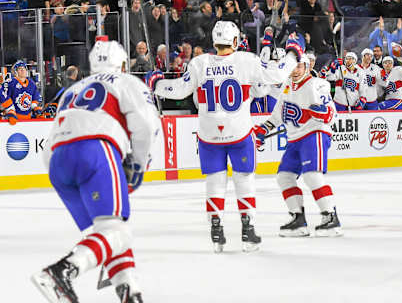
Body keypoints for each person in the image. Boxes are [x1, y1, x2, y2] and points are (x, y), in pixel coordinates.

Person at [149, 21, 303, 253]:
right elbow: (277, 75)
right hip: (238, 132)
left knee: (214, 181)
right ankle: (248, 230)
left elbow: (179, 90)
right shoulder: (246, 60)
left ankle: (216, 228)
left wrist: (156, 83)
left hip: (209, 134)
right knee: (244, 179)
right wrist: (293, 52)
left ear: (213, 41)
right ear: (234, 41)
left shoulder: (199, 63)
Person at [31, 40, 159, 303]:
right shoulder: (126, 81)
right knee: (118, 233)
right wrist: (138, 162)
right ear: (123, 64)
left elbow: (50, 145)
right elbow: (146, 124)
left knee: (108, 232)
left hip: (57, 161)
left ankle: (130, 292)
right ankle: (62, 272)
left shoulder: (73, 89)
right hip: (96, 149)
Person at [254, 55, 342, 237]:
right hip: (294, 139)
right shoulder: (287, 86)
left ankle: (331, 218)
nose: (295, 71)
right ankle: (298, 219)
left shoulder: (317, 84)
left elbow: (331, 113)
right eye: (293, 67)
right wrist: (263, 129)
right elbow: (278, 115)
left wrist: (323, 113)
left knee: (312, 176)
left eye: (299, 67)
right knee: (284, 177)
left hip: (314, 134)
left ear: (307, 67)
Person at [0, 60, 42, 125]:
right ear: (15, 72)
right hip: (12, 118)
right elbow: (3, 96)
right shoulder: (10, 82)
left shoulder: (31, 83)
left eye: (24, 68)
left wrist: (35, 108)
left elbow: (35, 97)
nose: (23, 70)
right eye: (20, 69)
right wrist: (10, 110)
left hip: (28, 119)